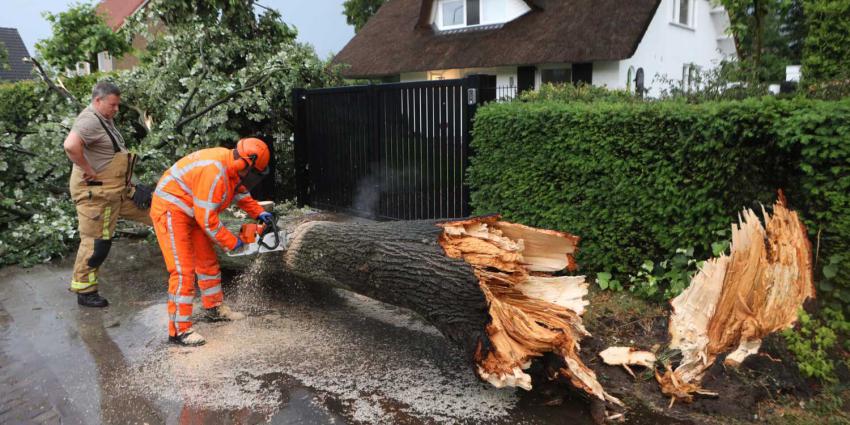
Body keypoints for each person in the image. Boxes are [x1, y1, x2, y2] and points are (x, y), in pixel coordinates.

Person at [150, 138, 275, 346]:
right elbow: (208, 221)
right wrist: (232, 242)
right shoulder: (215, 172)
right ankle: (179, 330)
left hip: (192, 211)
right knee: (182, 271)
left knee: (207, 262)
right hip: (172, 209)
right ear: (245, 163)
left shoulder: (232, 170)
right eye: (254, 173)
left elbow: (241, 195)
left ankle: (214, 308)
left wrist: (260, 213)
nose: (253, 179)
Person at [63, 81, 152, 308]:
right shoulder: (89, 120)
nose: (116, 109)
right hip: (97, 196)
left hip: (117, 191)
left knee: (158, 212)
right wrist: (89, 170)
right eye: (113, 105)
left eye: (117, 105)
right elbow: (71, 146)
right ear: (98, 100)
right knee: (96, 244)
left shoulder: (105, 119)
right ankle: (85, 290)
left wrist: (133, 187)